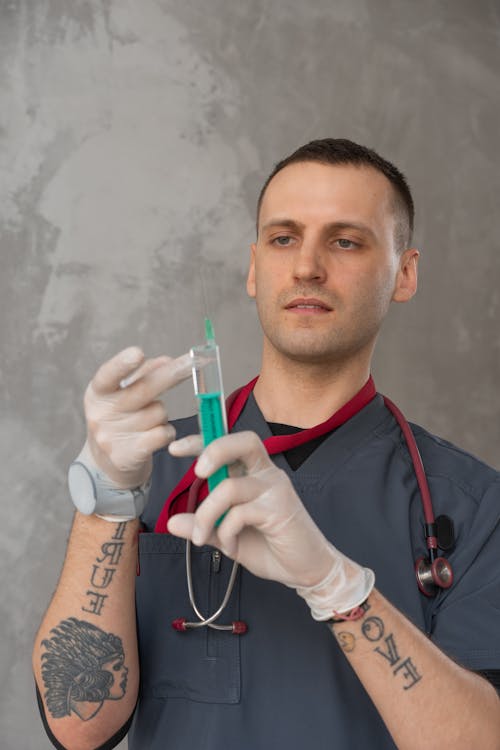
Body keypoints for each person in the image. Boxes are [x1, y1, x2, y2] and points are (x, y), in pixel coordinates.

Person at [33, 138, 500, 750]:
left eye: (345, 240)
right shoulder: (153, 464)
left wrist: (339, 588)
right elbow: (76, 723)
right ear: (255, 269)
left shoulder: (470, 503)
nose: (307, 266)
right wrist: (106, 501)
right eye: (284, 238)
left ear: (405, 273)